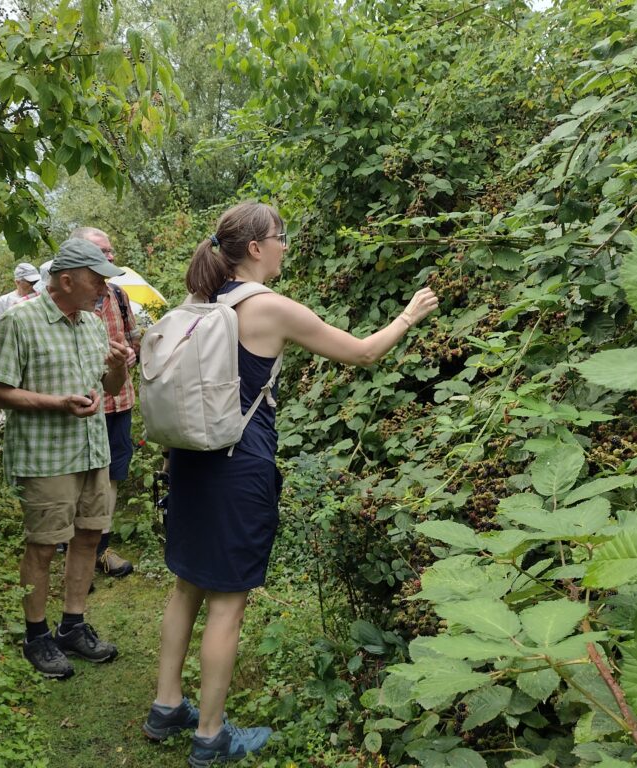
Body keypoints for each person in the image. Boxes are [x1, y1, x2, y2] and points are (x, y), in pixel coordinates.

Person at [142, 202, 438, 765]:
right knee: (228, 603)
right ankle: (210, 737)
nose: (284, 245)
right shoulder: (268, 308)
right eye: (280, 237)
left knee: (185, 587)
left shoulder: (201, 302)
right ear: (255, 247)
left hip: (188, 463)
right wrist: (409, 315)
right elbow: (364, 353)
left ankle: (166, 707)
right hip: (237, 468)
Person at [0, 238, 131, 680]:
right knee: (44, 545)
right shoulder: (19, 322)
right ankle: (36, 636)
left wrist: (120, 365)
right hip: (46, 457)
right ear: (66, 280)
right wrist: (55, 403)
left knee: (88, 537)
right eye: (96, 279)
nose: (104, 289)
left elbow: (108, 385)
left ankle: (72, 625)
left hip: (92, 449)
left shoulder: (92, 322)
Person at [72, 226, 141, 578]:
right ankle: (76, 551)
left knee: (113, 475)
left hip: (119, 400)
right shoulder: (64, 299)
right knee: (77, 477)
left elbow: (134, 341)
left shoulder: (118, 295)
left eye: (112, 251)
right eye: (103, 250)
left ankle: (101, 549)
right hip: (78, 405)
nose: (111, 256)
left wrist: (131, 355)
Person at [0, 262, 40, 343]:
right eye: (31, 283)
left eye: (37, 281)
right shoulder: (4, 301)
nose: (34, 286)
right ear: (17, 282)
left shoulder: (41, 296)